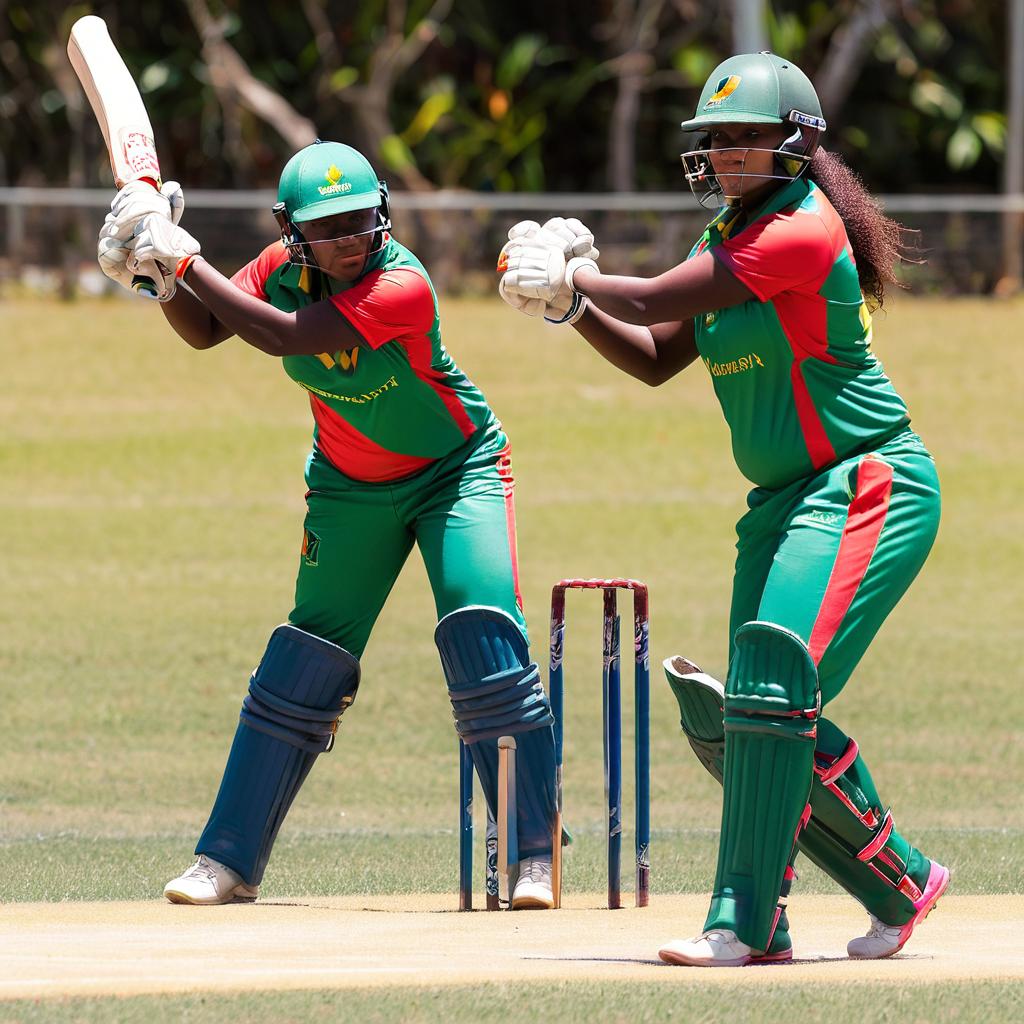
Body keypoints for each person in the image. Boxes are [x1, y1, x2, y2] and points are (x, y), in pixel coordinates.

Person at [498, 52, 949, 963]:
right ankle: (896, 881)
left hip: (866, 482)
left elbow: (663, 294)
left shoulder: (800, 231)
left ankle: (738, 922)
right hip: (783, 500)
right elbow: (659, 351)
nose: (728, 155)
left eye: (747, 138)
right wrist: (570, 308)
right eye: (716, 140)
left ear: (797, 144)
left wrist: (578, 277)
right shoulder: (730, 234)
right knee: (744, 711)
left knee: (775, 689)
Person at [97, 140, 592, 909]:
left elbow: (286, 337)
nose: (350, 238)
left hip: (453, 471)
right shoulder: (278, 267)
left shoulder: (403, 282)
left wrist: (186, 259)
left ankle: (533, 850)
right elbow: (207, 331)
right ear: (294, 233)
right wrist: (157, 277)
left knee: (482, 629)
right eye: (328, 227)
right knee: (303, 661)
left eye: (360, 219)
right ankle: (226, 860)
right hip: (349, 485)